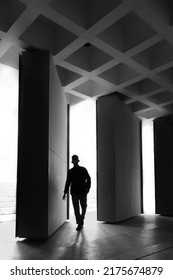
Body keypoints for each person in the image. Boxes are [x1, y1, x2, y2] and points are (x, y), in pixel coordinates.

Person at [63, 155, 91, 231]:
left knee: (84, 207)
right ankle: (79, 223)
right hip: (74, 192)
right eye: (74, 160)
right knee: (76, 209)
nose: (75, 161)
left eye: (75, 159)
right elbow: (68, 182)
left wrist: (87, 188)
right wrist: (65, 192)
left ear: (77, 161)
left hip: (82, 192)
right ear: (73, 161)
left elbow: (88, 178)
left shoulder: (83, 169)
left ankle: (81, 219)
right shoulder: (70, 171)